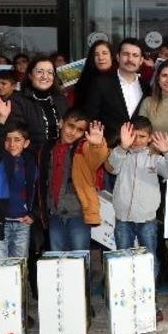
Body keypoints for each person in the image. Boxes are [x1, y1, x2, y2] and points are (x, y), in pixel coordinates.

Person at [108, 118, 168, 320]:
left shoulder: (154, 159)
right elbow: (111, 167)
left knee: (150, 260)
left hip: (147, 219)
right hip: (123, 218)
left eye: (142, 136)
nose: (137, 140)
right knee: (122, 259)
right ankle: (124, 302)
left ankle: (150, 302)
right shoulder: (120, 154)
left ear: (149, 138)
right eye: (133, 136)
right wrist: (122, 147)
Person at [0, 96, 40, 259]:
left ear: (26, 143)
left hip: (22, 224)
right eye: (8, 140)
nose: (12, 144)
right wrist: (1, 120)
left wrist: (34, 214)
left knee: (19, 266)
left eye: (17, 140)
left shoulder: (31, 162)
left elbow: (38, 190)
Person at [43, 108, 109, 252]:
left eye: (79, 130)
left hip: (79, 214)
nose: (73, 132)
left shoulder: (83, 148)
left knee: (80, 258)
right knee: (56, 258)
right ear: (61, 123)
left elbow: (97, 157)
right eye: (70, 126)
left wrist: (97, 144)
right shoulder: (49, 148)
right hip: (54, 213)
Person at [81, 38, 148, 143]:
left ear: (141, 60)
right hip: (108, 147)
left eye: (135, 55)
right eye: (126, 54)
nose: (130, 59)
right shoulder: (100, 83)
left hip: (139, 148)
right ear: (117, 57)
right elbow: (90, 117)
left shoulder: (146, 87)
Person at [11, 56, 69, 161]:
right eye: (39, 72)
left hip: (60, 159)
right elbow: (17, 133)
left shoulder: (61, 99)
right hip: (30, 160)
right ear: (30, 75)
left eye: (50, 72)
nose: (45, 76)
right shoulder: (18, 100)